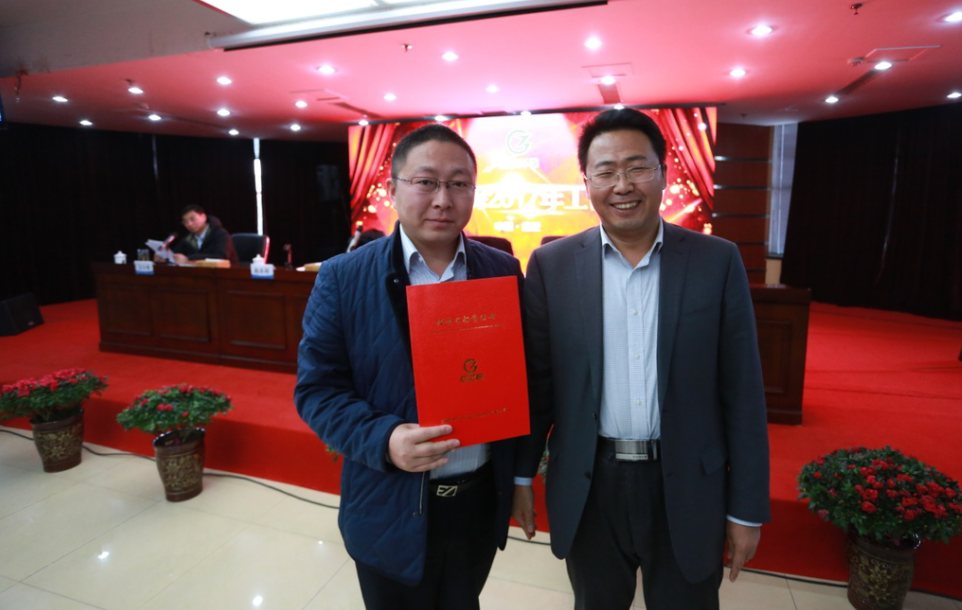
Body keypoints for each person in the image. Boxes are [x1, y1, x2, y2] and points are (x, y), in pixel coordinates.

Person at [512, 108, 771, 610]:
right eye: (606, 172)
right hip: (590, 484)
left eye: (637, 167)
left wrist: (747, 510)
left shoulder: (716, 261)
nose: (622, 185)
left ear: (664, 173)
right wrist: (522, 475)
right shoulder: (551, 265)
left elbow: (742, 392)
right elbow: (538, 385)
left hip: (687, 484)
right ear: (587, 182)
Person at [294, 124, 523, 610]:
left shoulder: (502, 271)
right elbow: (317, 391)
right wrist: (384, 439)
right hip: (388, 503)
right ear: (393, 189)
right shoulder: (343, 277)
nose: (443, 199)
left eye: (458, 184)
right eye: (426, 182)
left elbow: (523, 377)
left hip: (478, 503)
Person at [158, 204, 238, 265]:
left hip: (226, 273)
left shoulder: (220, 234)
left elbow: (221, 256)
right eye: (185, 222)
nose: (189, 224)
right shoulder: (188, 238)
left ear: (203, 217)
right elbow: (176, 253)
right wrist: (165, 257)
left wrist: (188, 258)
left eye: (192, 219)